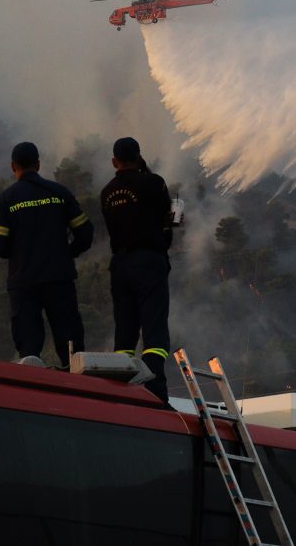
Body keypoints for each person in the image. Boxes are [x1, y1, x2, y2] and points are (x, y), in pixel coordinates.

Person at [0, 141, 94, 369]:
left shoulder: (6, 200)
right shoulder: (59, 193)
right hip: (59, 279)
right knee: (71, 348)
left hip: (23, 282)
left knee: (29, 351)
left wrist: (19, 253)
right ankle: (80, 394)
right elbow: (85, 233)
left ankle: (33, 395)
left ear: (12, 166)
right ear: (38, 164)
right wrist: (66, 253)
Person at [100, 137, 173, 402]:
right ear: (139, 156)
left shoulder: (107, 192)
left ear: (114, 161)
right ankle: (154, 391)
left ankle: (121, 392)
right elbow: (172, 217)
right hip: (149, 261)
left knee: (125, 332)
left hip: (119, 266)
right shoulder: (153, 183)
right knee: (154, 330)